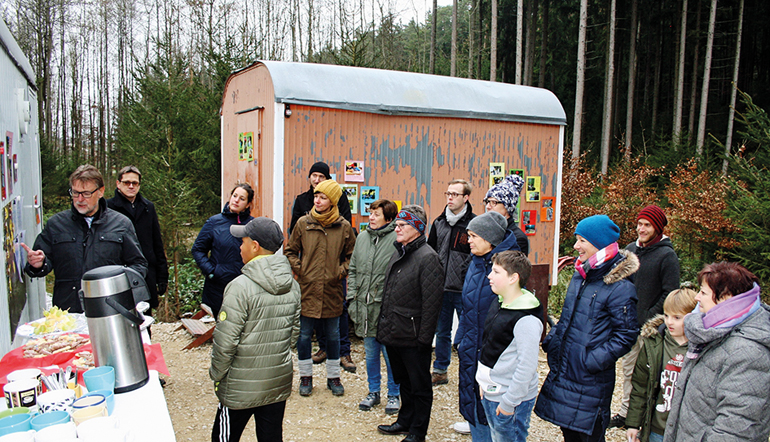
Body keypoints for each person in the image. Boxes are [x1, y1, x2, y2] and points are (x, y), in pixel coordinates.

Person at [534, 214, 639, 442]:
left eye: (581, 240)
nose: (576, 246)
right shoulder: (581, 274)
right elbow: (569, 316)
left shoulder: (619, 287)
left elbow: (627, 334)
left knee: (588, 436)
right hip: (567, 372)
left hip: (590, 379)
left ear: (598, 243)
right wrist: (554, 341)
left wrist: (593, 360)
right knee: (568, 432)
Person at [210, 217, 301, 442]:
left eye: (243, 241)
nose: (240, 247)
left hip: (239, 386)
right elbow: (293, 335)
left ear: (255, 246)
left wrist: (217, 374)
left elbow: (225, 342)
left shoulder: (239, 287)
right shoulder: (293, 285)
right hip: (275, 382)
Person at [663, 262, 770, 442]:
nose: (697, 297)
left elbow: (735, 430)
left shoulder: (747, 352)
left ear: (726, 297)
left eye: (703, 292)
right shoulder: (712, 332)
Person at [22, 165, 147, 313]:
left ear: (100, 191)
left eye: (86, 193)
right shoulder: (56, 224)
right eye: (75, 193)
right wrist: (38, 264)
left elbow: (139, 265)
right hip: (68, 312)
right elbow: (41, 263)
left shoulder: (121, 224)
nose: (80, 199)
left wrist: (117, 285)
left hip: (109, 311)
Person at [376, 205, 444, 442]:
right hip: (395, 332)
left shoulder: (429, 258)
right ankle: (404, 421)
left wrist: (424, 340)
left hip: (414, 337)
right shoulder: (400, 251)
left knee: (420, 386)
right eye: (396, 225)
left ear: (417, 228)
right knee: (403, 381)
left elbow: (432, 304)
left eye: (402, 225)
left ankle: (418, 430)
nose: (397, 228)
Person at [285, 179, 356, 397]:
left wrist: (339, 272)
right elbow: (290, 250)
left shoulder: (343, 226)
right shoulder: (303, 223)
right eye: (316, 196)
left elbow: (352, 257)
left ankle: (334, 377)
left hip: (332, 291)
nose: (317, 200)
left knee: (334, 336)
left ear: (333, 201)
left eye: (323, 197)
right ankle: (305, 377)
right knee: (304, 336)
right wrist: (302, 270)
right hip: (307, 290)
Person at [612, 205, 680, 429]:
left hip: (648, 327)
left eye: (647, 225)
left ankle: (631, 416)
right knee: (626, 369)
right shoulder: (631, 249)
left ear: (657, 227)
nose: (641, 229)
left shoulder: (667, 256)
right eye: (640, 224)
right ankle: (626, 412)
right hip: (625, 322)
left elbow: (670, 293)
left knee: (639, 373)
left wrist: (649, 318)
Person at [456, 211, 522, 440]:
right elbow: (467, 306)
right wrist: (461, 338)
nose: (469, 240)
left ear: (490, 238)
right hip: (471, 349)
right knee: (474, 408)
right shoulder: (475, 263)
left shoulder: (510, 269)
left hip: (495, 357)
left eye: (474, 236)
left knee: (496, 415)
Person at [477, 250, 543, 442]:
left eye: (496, 272)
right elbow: (491, 347)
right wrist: (484, 382)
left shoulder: (526, 319)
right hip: (493, 392)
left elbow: (527, 367)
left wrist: (508, 403)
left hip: (508, 400)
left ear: (514, 278)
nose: (489, 275)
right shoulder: (499, 303)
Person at [347, 199, 401, 414]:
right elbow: (352, 269)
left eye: (376, 215)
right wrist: (352, 296)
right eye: (370, 213)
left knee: (390, 355)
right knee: (370, 353)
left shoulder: (396, 239)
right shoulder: (362, 237)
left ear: (388, 218)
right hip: (364, 307)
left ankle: (394, 394)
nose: (371, 218)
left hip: (385, 308)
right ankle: (373, 392)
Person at [625, 287, 697, 442]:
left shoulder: (700, 349)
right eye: (666, 315)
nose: (669, 322)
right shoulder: (654, 344)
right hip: (657, 428)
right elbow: (640, 387)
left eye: (677, 317)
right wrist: (633, 424)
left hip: (685, 431)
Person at [427, 179, 475, 386]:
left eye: (455, 194)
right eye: (448, 193)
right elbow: (430, 252)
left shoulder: (474, 224)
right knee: (442, 331)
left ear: (466, 198)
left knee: (468, 332)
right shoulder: (438, 223)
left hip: (464, 289)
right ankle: (440, 370)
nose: (450, 198)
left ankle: (470, 372)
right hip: (441, 288)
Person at [107, 165, 169, 314]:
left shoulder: (148, 207)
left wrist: (162, 276)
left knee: (144, 319)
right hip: (118, 273)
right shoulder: (108, 208)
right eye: (126, 182)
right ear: (118, 184)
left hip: (145, 274)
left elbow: (156, 243)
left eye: (135, 183)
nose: (131, 186)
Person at [192, 183, 255, 317]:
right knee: (222, 327)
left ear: (248, 204)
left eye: (242, 199)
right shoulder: (214, 222)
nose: (236, 200)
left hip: (244, 286)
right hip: (218, 285)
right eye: (234, 196)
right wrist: (211, 271)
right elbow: (198, 249)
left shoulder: (253, 225)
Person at [483, 174, 528, 255]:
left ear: (507, 207)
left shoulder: (517, 238)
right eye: (487, 202)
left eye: (494, 202)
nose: (488, 206)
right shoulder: (485, 231)